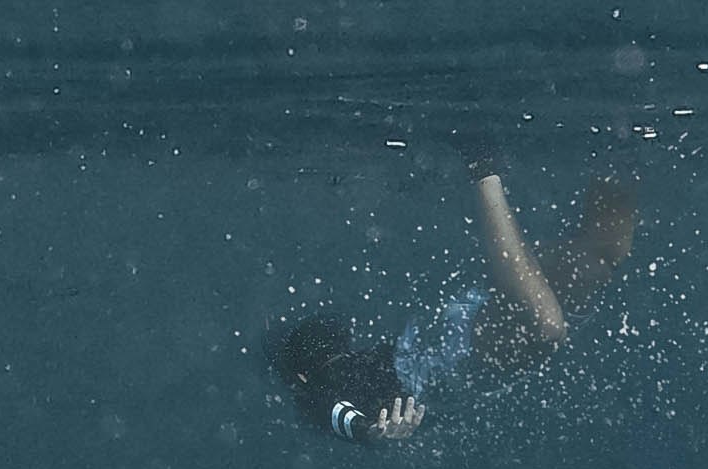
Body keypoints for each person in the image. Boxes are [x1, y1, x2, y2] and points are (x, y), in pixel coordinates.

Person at [273, 160, 639, 440]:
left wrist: (371, 432)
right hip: (438, 347)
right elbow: (339, 415)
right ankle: (614, 153)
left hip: (439, 362)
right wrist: (370, 430)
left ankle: (484, 166)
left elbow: (337, 415)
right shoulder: (317, 389)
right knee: (603, 257)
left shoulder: (315, 390)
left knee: (547, 327)